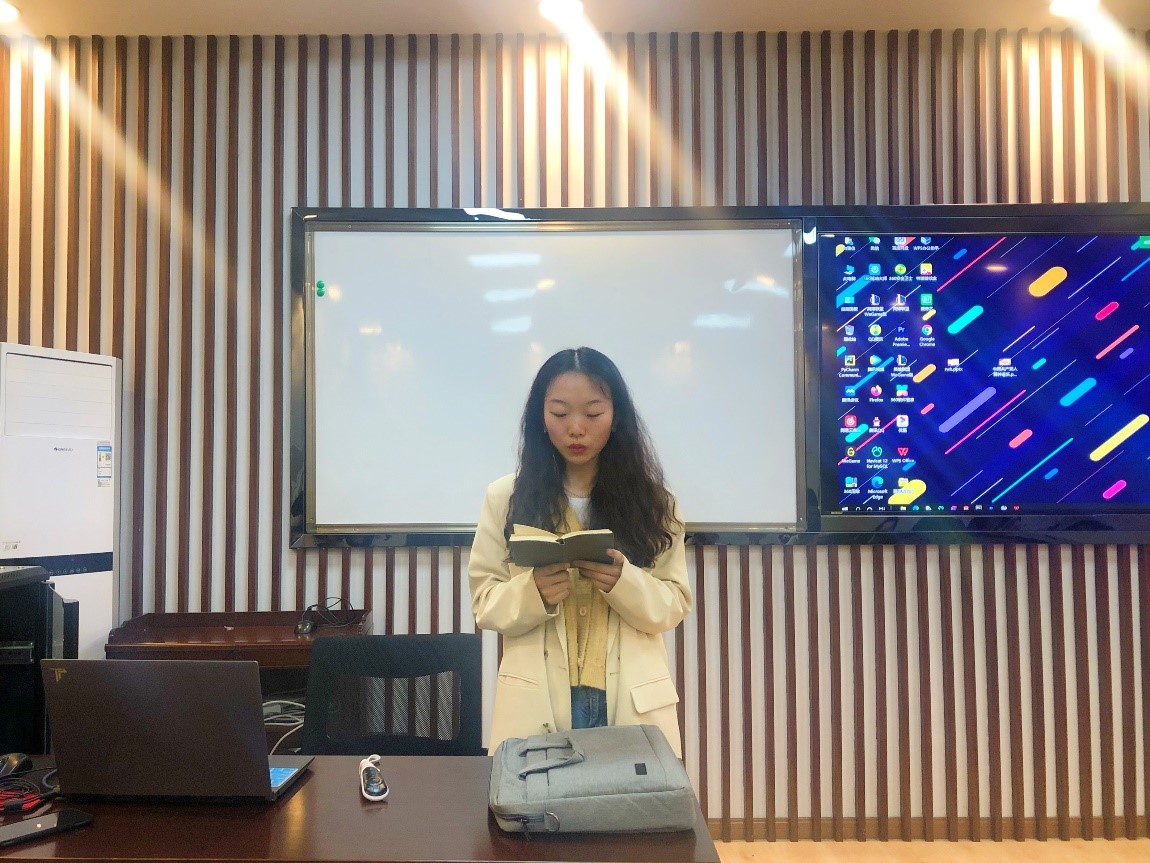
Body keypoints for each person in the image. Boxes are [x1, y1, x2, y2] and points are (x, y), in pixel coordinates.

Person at [468, 347, 692, 756]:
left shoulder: (656, 502)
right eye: (559, 413)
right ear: (540, 417)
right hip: (537, 701)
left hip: (630, 700)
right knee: (539, 798)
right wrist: (533, 592)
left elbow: (674, 604)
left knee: (629, 798)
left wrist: (625, 582)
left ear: (616, 416)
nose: (576, 429)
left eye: (593, 413)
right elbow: (485, 603)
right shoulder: (505, 498)